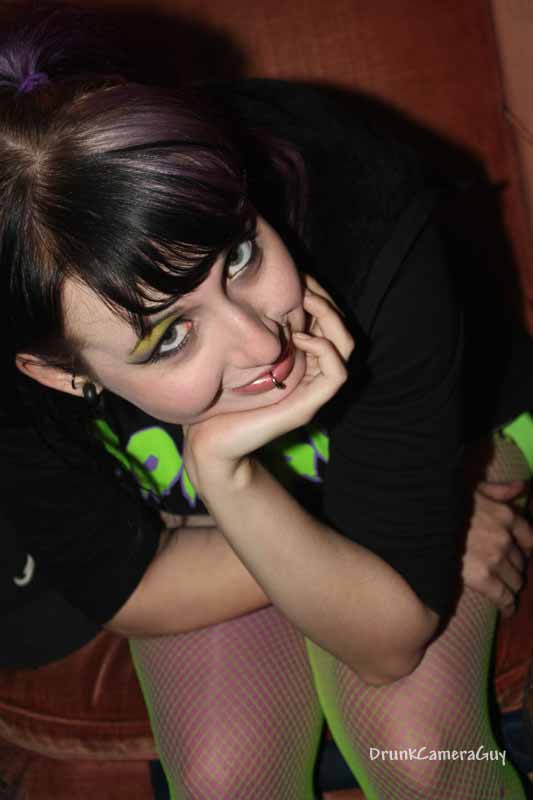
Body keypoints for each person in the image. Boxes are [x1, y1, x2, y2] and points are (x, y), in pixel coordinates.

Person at [1, 16, 532, 799]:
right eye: (169, 336)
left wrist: (419, 509)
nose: (260, 342)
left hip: (457, 434)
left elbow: (387, 642)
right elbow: (126, 588)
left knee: (421, 758)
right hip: (230, 509)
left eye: (240, 256)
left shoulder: (356, 199)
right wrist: (235, 484)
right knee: (225, 782)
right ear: (56, 372)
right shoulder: (16, 354)